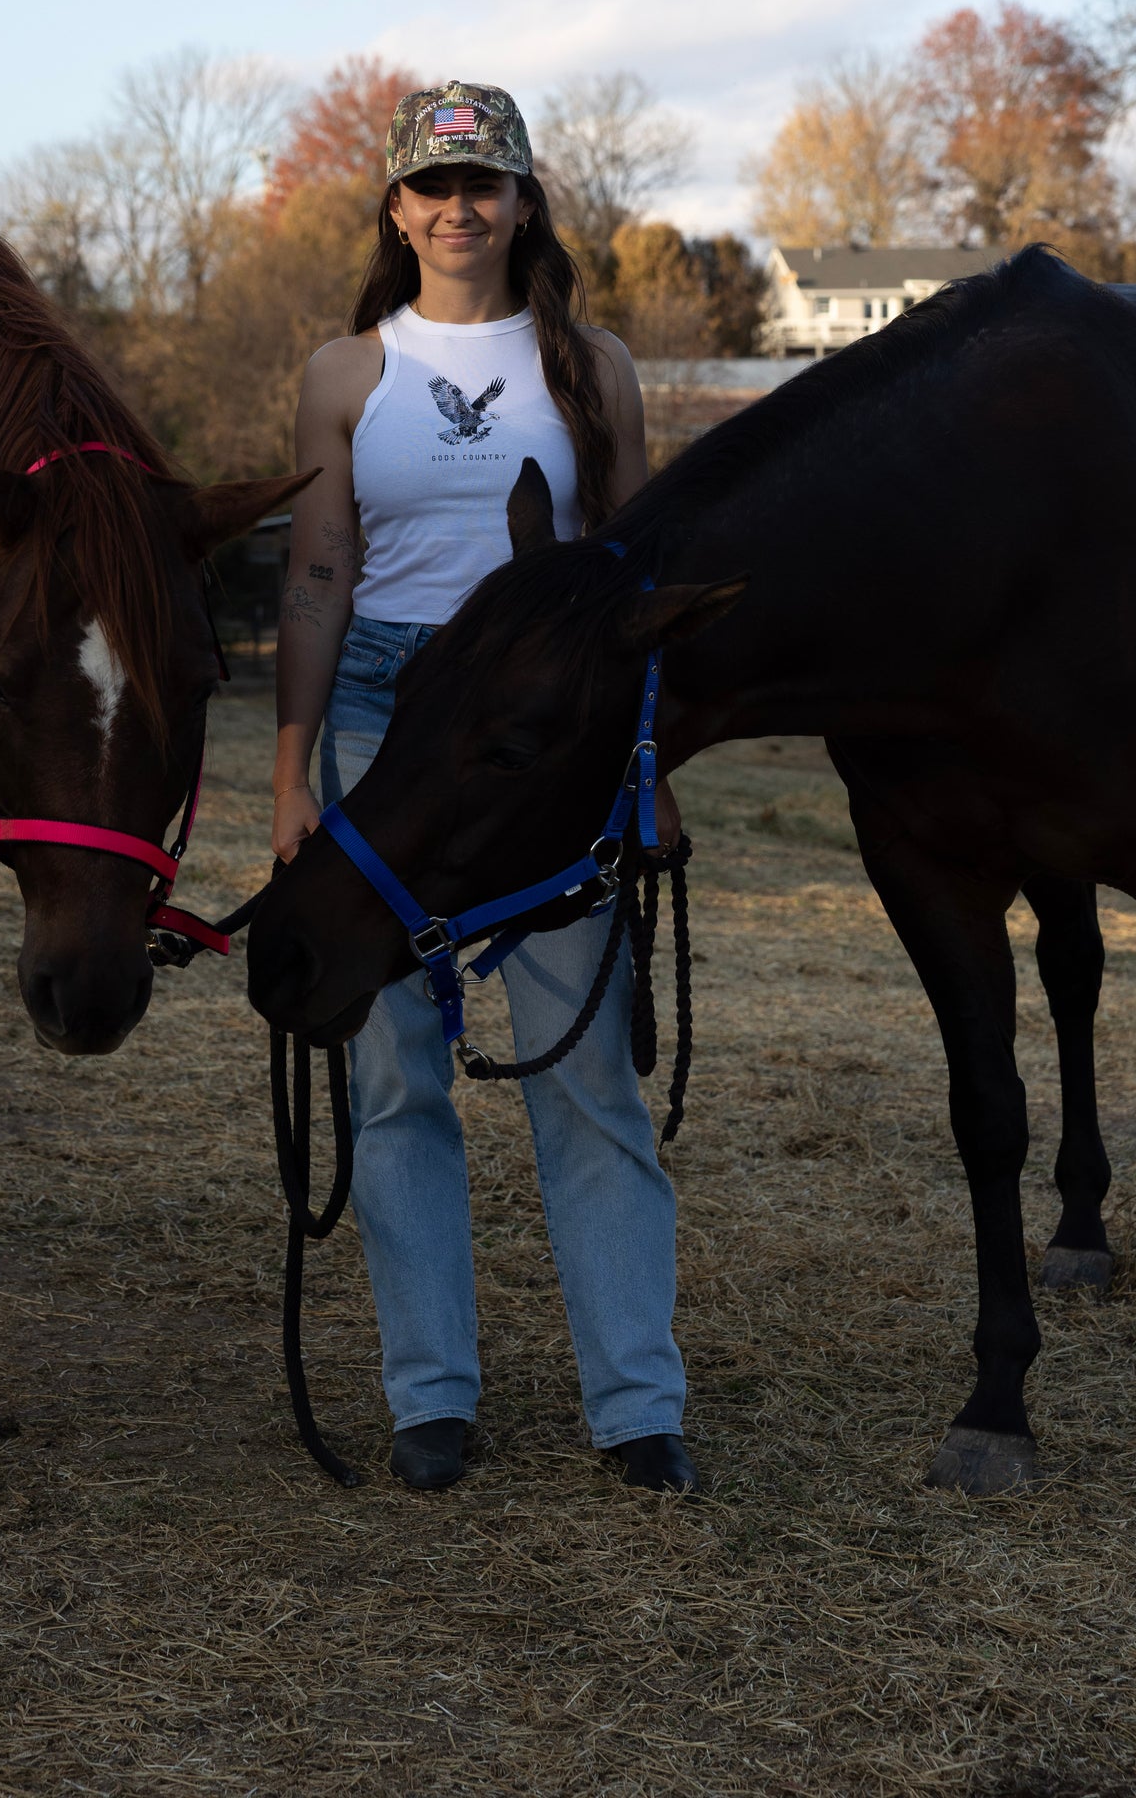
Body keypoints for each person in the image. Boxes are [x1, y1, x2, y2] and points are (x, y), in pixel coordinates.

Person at [271, 81, 696, 1495]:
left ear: (521, 204)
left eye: (485, 184)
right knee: (395, 1075)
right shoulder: (346, 373)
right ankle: (428, 1395)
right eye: (432, 186)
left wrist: (650, 774)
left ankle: (638, 1405)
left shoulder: (594, 366)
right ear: (395, 208)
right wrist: (290, 777)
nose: (459, 208)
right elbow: (322, 573)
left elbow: (635, 586)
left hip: (551, 739)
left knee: (584, 1072)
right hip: (391, 716)